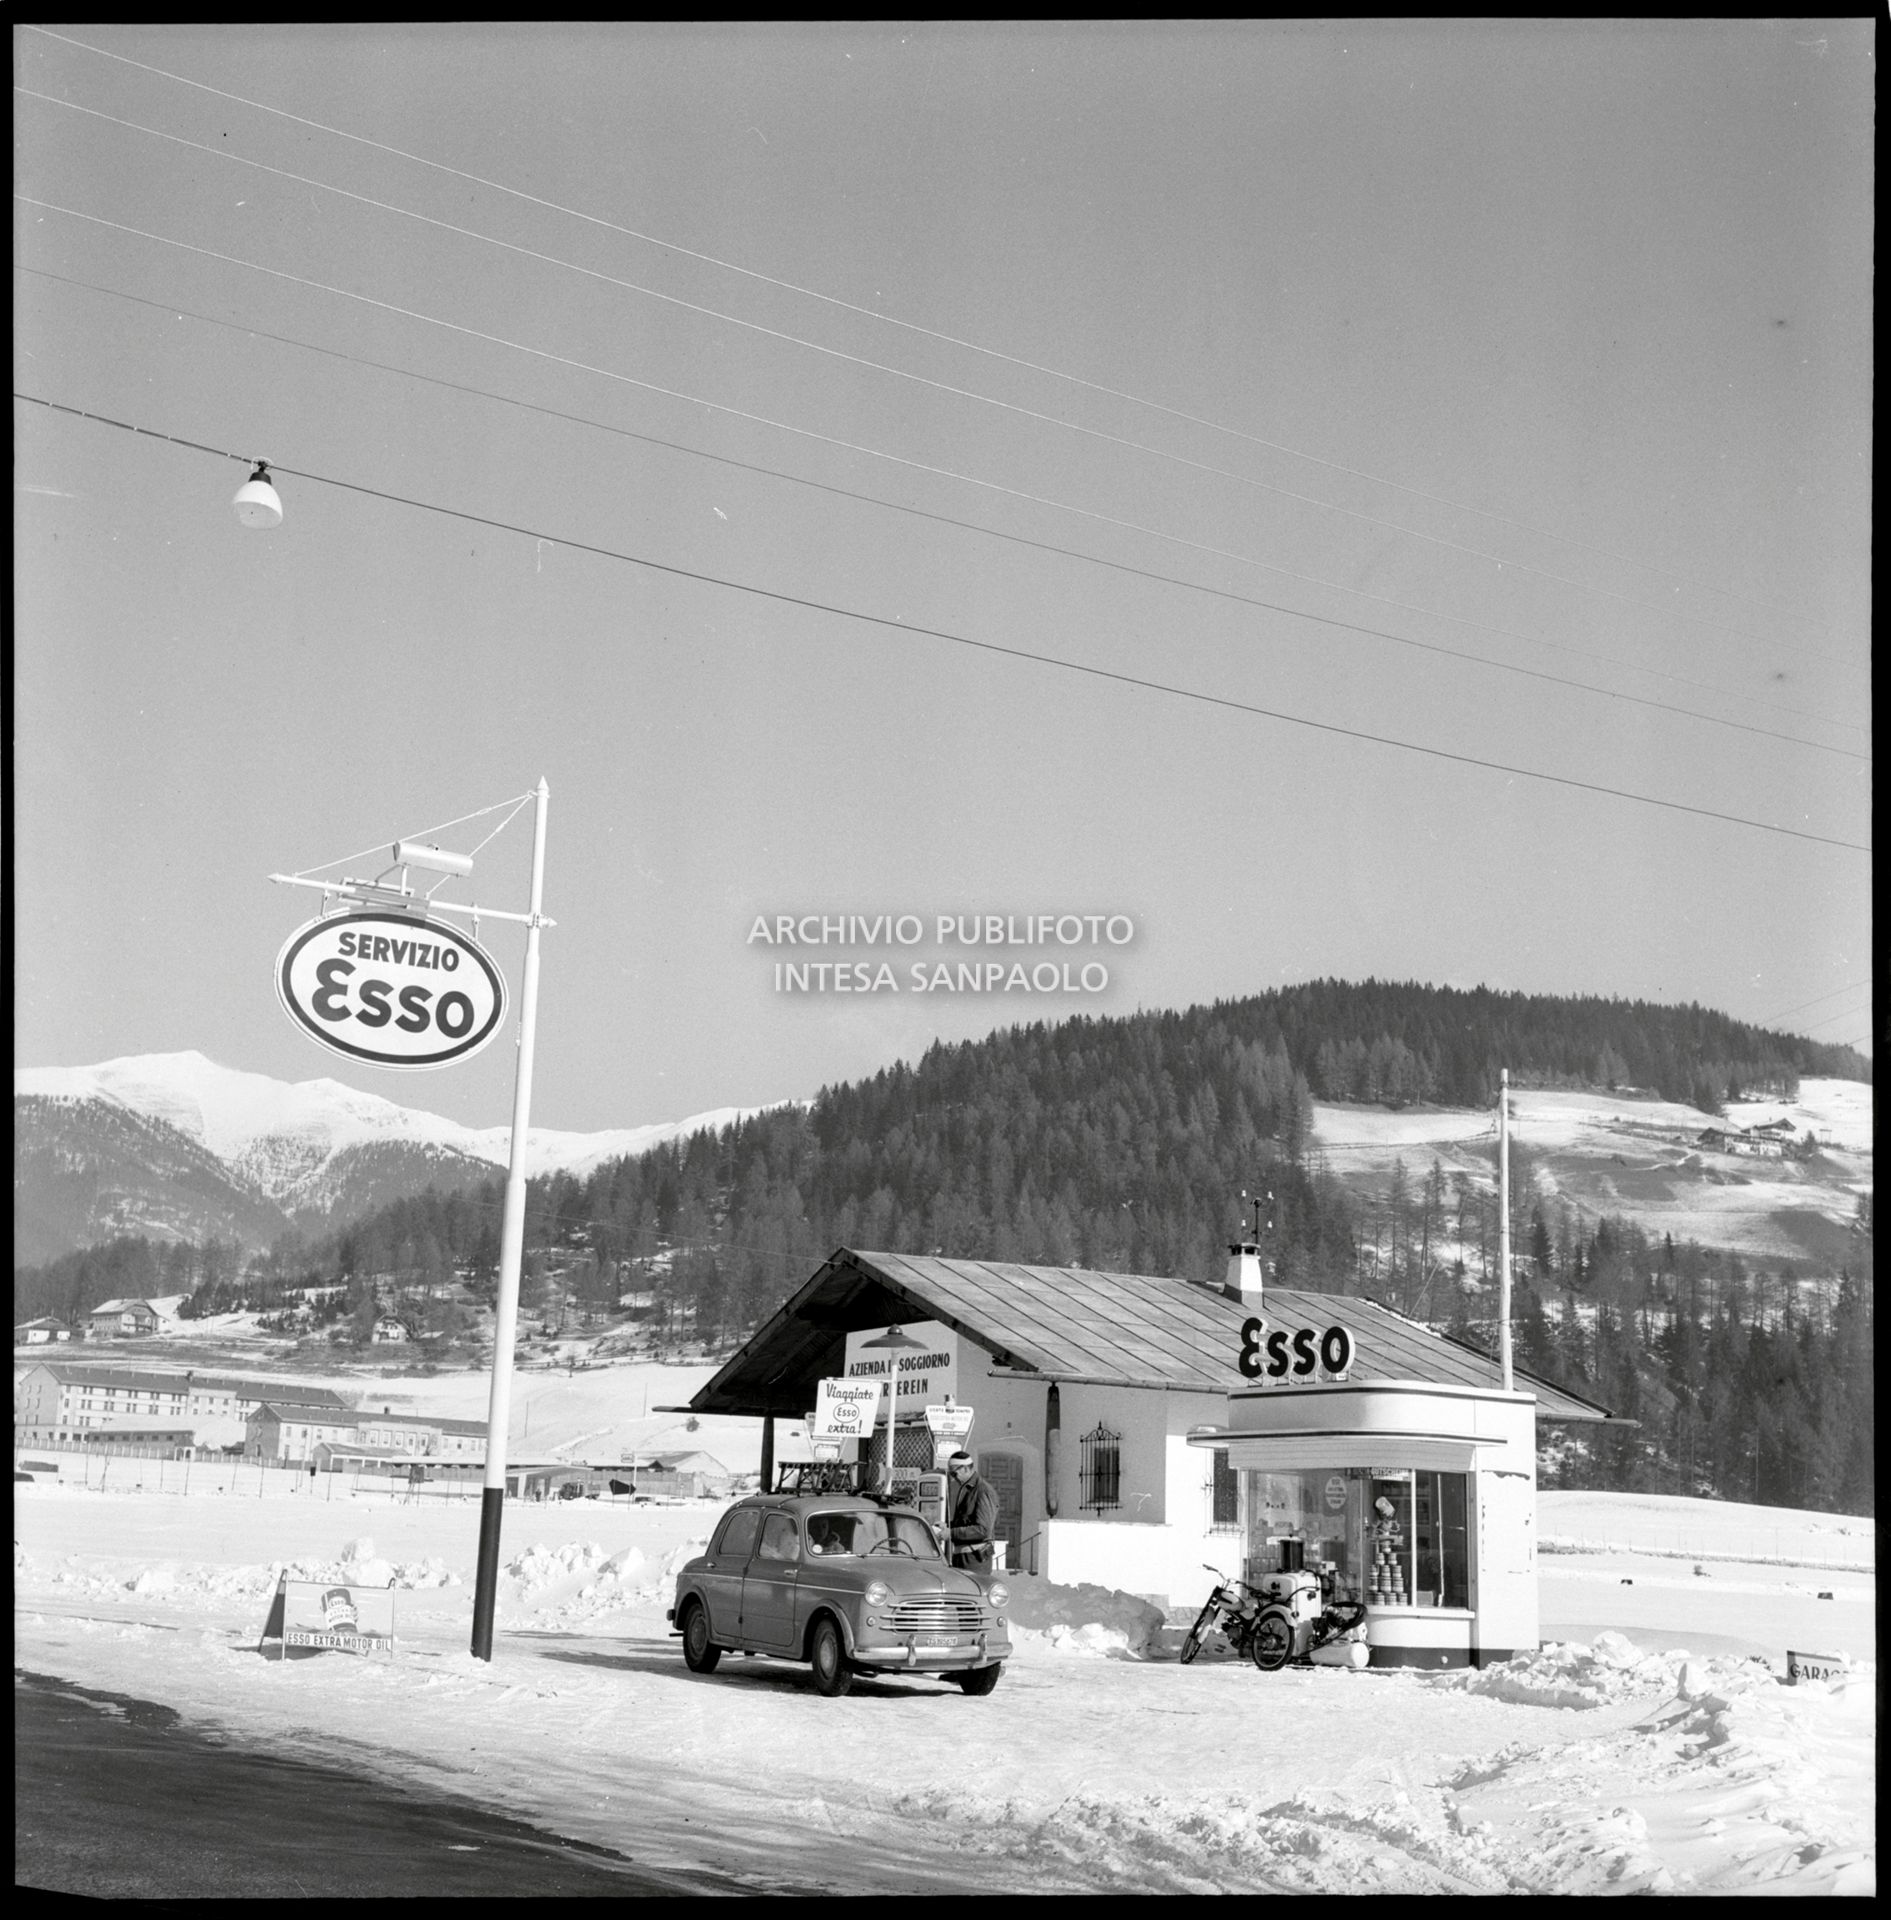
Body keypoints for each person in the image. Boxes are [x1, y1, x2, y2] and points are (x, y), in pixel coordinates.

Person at [944, 1450, 998, 1572]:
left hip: (974, 1560)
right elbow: (966, 1522)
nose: (953, 1478)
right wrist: (947, 1526)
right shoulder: (968, 1489)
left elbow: (983, 1530)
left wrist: (951, 1533)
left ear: (965, 1469)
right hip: (962, 1558)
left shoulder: (982, 1490)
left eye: (954, 1473)